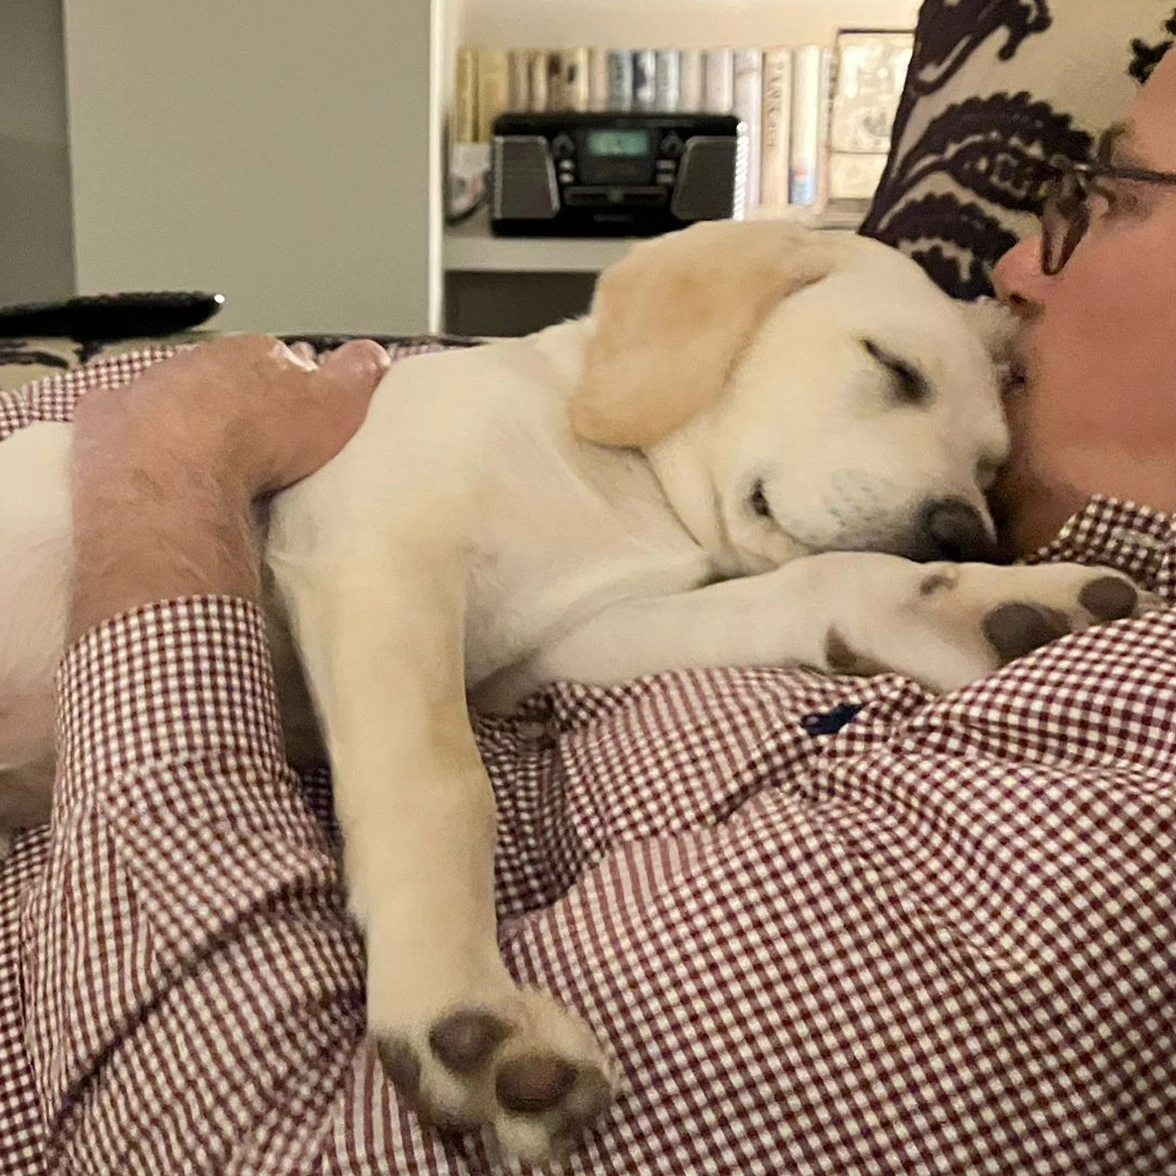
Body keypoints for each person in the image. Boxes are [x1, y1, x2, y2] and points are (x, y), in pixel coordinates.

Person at [2, 46, 1175, 1176]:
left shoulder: (1115, 782)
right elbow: (383, 564)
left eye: (1115, 197)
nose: (1016, 262)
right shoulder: (540, 423)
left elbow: (542, 645)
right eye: (897, 376)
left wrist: (164, 464)